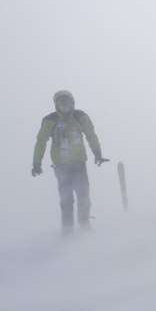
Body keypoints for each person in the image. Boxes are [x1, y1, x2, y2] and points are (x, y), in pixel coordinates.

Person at [32, 90, 108, 234]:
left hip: (79, 163)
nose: (65, 105)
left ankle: (84, 225)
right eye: (61, 102)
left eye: (68, 101)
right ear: (56, 104)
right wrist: (37, 163)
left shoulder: (80, 116)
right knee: (66, 198)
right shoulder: (50, 120)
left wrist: (97, 153)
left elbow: (91, 134)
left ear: (73, 103)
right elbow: (41, 141)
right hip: (61, 166)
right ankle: (67, 230)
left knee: (83, 195)